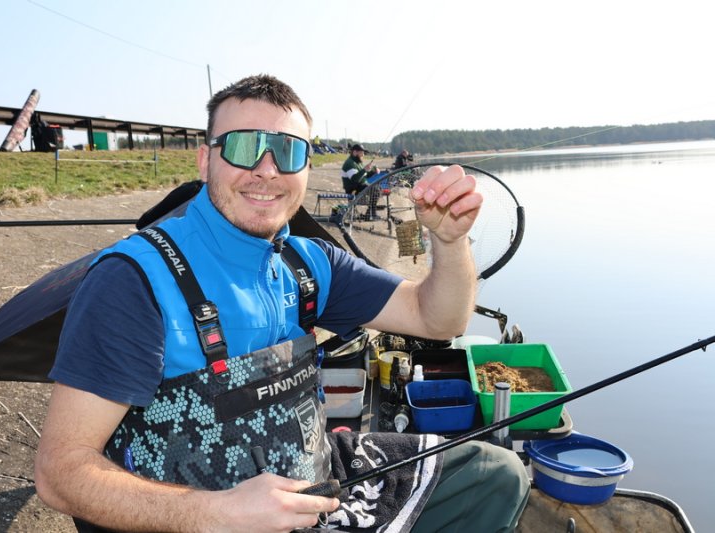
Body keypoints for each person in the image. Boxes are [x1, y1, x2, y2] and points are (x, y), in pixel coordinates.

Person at [34, 74, 529, 533]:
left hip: (315, 478)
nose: (266, 170)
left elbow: (439, 316)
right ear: (205, 160)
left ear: (306, 168)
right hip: (200, 515)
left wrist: (448, 241)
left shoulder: (309, 262)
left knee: (495, 472)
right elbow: (62, 472)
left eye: (288, 151)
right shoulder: (133, 281)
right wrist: (219, 512)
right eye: (244, 146)